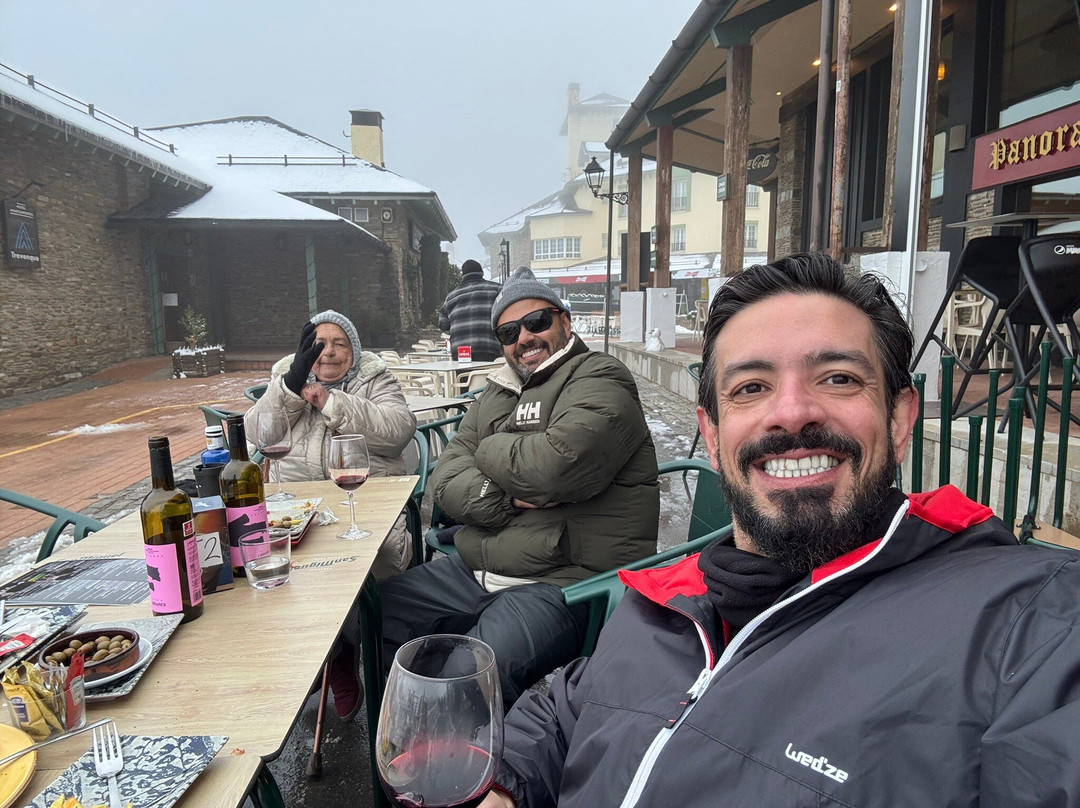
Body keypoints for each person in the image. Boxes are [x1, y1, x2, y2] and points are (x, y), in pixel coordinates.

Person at [481, 253, 1080, 807]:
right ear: (713, 436)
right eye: (751, 388)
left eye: (838, 378)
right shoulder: (668, 602)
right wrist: (503, 783)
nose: (791, 412)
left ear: (899, 420)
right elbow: (568, 710)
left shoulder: (1031, 623)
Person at [380, 267, 660, 709]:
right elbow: (444, 480)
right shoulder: (497, 392)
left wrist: (488, 447)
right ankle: (406, 727)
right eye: (509, 332)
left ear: (565, 320)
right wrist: (506, 496)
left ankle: (468, 746)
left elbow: (554, 469)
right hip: (481, 565)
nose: (524, 338)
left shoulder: (600, 376)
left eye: (536, 321)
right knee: (380, 610)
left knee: (466, 679)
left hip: (565, 581)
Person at [244, 310, 416, 719]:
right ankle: (331, 653)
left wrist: (330, 401)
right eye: (319, 344)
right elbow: (260, 434)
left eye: (340, 343)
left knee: (357, 565)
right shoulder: (287, 378)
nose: (329, 352)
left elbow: (398, 430)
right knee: (271, 564)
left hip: (365, 505)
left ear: (354, 350)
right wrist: (289, 388)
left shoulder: (375, 379)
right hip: (297, 511)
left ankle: (346, 650)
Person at [439, 258, 503, 361]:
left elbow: (443, 324)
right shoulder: (497, 289)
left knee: (464, 372)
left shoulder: (451, 297)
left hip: (460, 351)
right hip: (490, 347)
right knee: (489, 371)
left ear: (463, 275)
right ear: (481, 273)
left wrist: (459, 329)